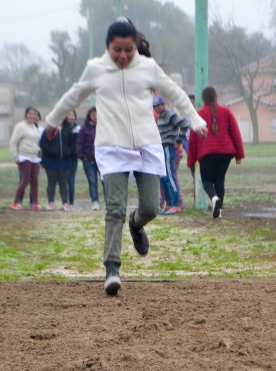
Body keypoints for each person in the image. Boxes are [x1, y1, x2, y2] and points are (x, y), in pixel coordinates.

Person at [44, 18, 207, 295]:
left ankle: (136, 225)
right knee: (115, 208)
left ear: (135, 47)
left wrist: (194, 119)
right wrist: (52, 120)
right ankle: (112, 268)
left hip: (146, 144)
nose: (122, 56)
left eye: (128, 50)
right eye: (117, 50)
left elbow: (176, 94)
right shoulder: (96, 69)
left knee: (151, 207)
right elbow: (74, 96)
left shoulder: (147, 68)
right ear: (108, 47)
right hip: (112, 146)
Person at [187, 86, 245, 220]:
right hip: (226, 153)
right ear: (215, 96)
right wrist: (239, 155)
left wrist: (191, 160)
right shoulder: (226, 112)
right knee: (219, 181)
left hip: (207, 154)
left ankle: (214, 199)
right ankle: (218, 212)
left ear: (203, 98)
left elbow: (193, 140)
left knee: (207, 181)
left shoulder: (199, 114)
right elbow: (235, 133)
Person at [153, 94, 189, 214]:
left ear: (164, 104)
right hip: (161, 148)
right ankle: (168, 204)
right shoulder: (160, 117)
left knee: (169, 175)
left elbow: (184, 125)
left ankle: (176, 204)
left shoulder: (170, 115)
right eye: (155, 106)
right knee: (163, 177)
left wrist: (179, 140)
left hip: (169, 147)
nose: (158, 108)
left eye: (159, 105)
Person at [39, 111, 77, 211]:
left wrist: (68, 153)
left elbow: (73, 145)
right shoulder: (48, 130)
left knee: (63, 184)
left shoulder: (67, 130)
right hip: (51, 162)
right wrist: (52, 152)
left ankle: (65, 203)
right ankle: (50, 202)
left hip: (64, 162)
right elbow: (43, 143)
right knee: (51, 183)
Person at [9, 106, 43, 211]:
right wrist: (15, 156)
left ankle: (35, 203)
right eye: (30, 114)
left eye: (34, 114)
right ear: (26, 115)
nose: (32, 116)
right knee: (25, 180)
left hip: (34, 156)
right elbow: (13, 142)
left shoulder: (35, 127)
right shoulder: (20, 126)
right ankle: (15, 202)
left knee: (35, 181)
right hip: (24, 156)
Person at [76, 106, 102, 210]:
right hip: (89, 159)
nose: (95, 117)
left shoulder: (104, 126)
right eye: (93, 115)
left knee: (105, 181)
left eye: (97, 114)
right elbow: (79, 142)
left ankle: (110, 202)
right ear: (89, 116)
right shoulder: (84, 128)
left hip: (102, 159)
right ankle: (95, 201)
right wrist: (81, 156)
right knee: (92, 181)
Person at [66, 109, 80, 207]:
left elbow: (77, 144)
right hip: (62, 159)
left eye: (73, 115)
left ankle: (70, 202)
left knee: (71, 180)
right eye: (69, 114)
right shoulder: (61, 128)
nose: (71, 116)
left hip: (73, 158)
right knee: (63, 182)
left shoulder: (77, 128)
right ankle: (64, 201)